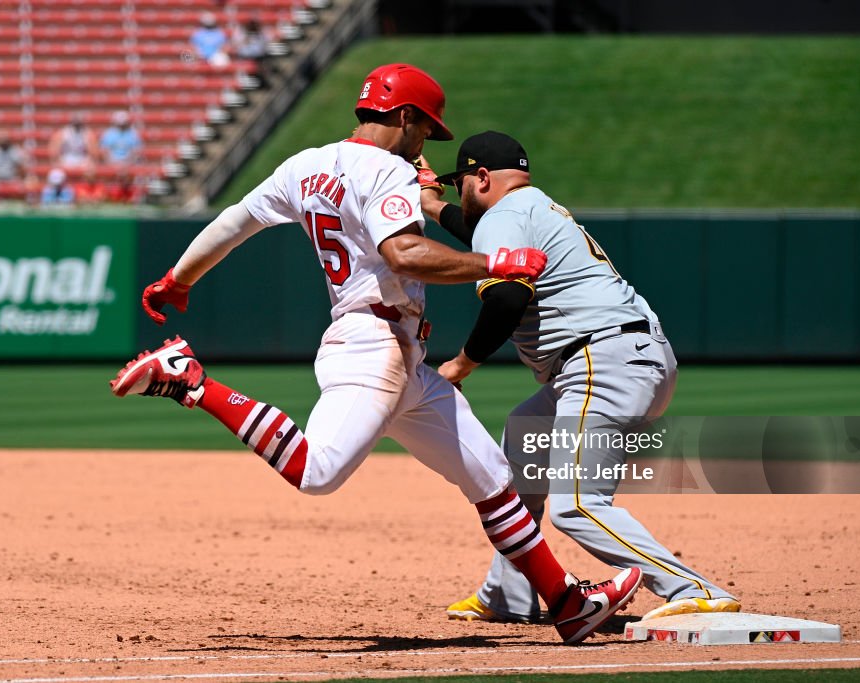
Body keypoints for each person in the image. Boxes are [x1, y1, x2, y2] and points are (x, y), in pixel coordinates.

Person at [109, 64, 642, 645]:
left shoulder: (305, 164)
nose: (426, 142)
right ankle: (191, 380)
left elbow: (236, 221)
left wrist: (180, 277)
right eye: (426, 128)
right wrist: (495, 262)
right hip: (372, 349)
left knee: (493, 478)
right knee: (317, 472)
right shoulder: (388, 170)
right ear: (406, 116)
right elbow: (405, 254)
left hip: (401, 358)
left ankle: (566, 603)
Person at [417, 131, 739, 624]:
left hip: (600, 362)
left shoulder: (503, 217)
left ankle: (693, 588)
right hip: (622, 354)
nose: (457, 192)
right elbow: (481, 235)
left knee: (576, 505)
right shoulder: (531, 207)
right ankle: (509, 593)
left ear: (480, 178)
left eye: (458, 183)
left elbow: (507, 298)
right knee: (522, 443)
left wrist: (460, 364)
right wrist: (433, 207)